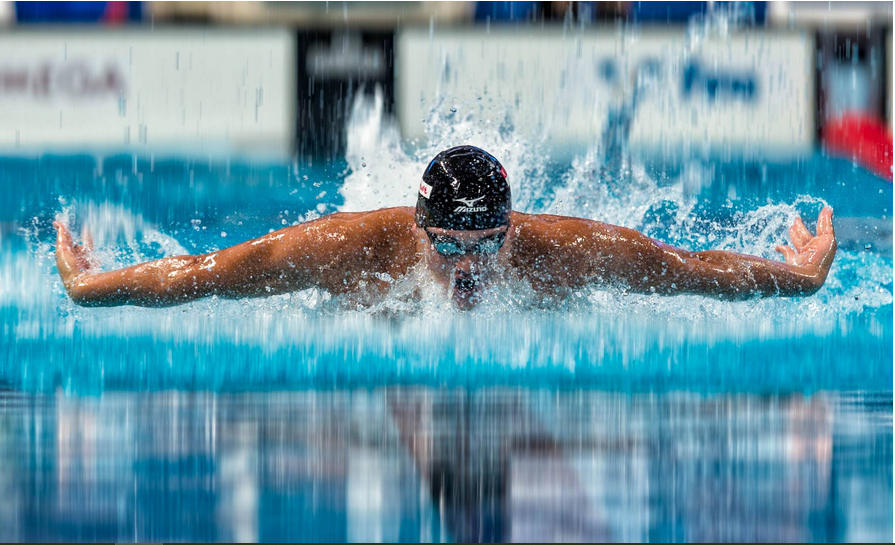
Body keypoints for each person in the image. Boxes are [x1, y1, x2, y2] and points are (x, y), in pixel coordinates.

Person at [54, 145, 837, 310]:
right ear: (418, 225)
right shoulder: (348, 249)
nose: (469, 265)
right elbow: (207, 274)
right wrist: (92, 286)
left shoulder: (563, 250)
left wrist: (801, 277)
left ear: (510, 224)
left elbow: (693, 269)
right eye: (449, 245)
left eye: (485, 243)